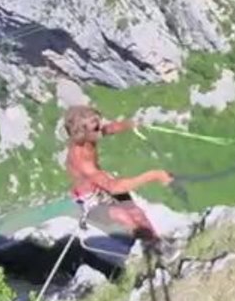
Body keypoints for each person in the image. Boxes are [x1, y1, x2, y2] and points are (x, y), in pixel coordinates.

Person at [63, 105, 177, 254]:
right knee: (124, 216)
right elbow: (114, 187)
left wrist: (131, 124)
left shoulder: (88, 136)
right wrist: (153, 175)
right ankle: (154, 249)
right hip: (91, 200)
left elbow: (108, 129)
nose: (100, 130)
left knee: (137, 213)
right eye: (95, 128)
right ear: (82, 132)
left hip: (101, 184)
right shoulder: (81, 160)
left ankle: (158, 244)